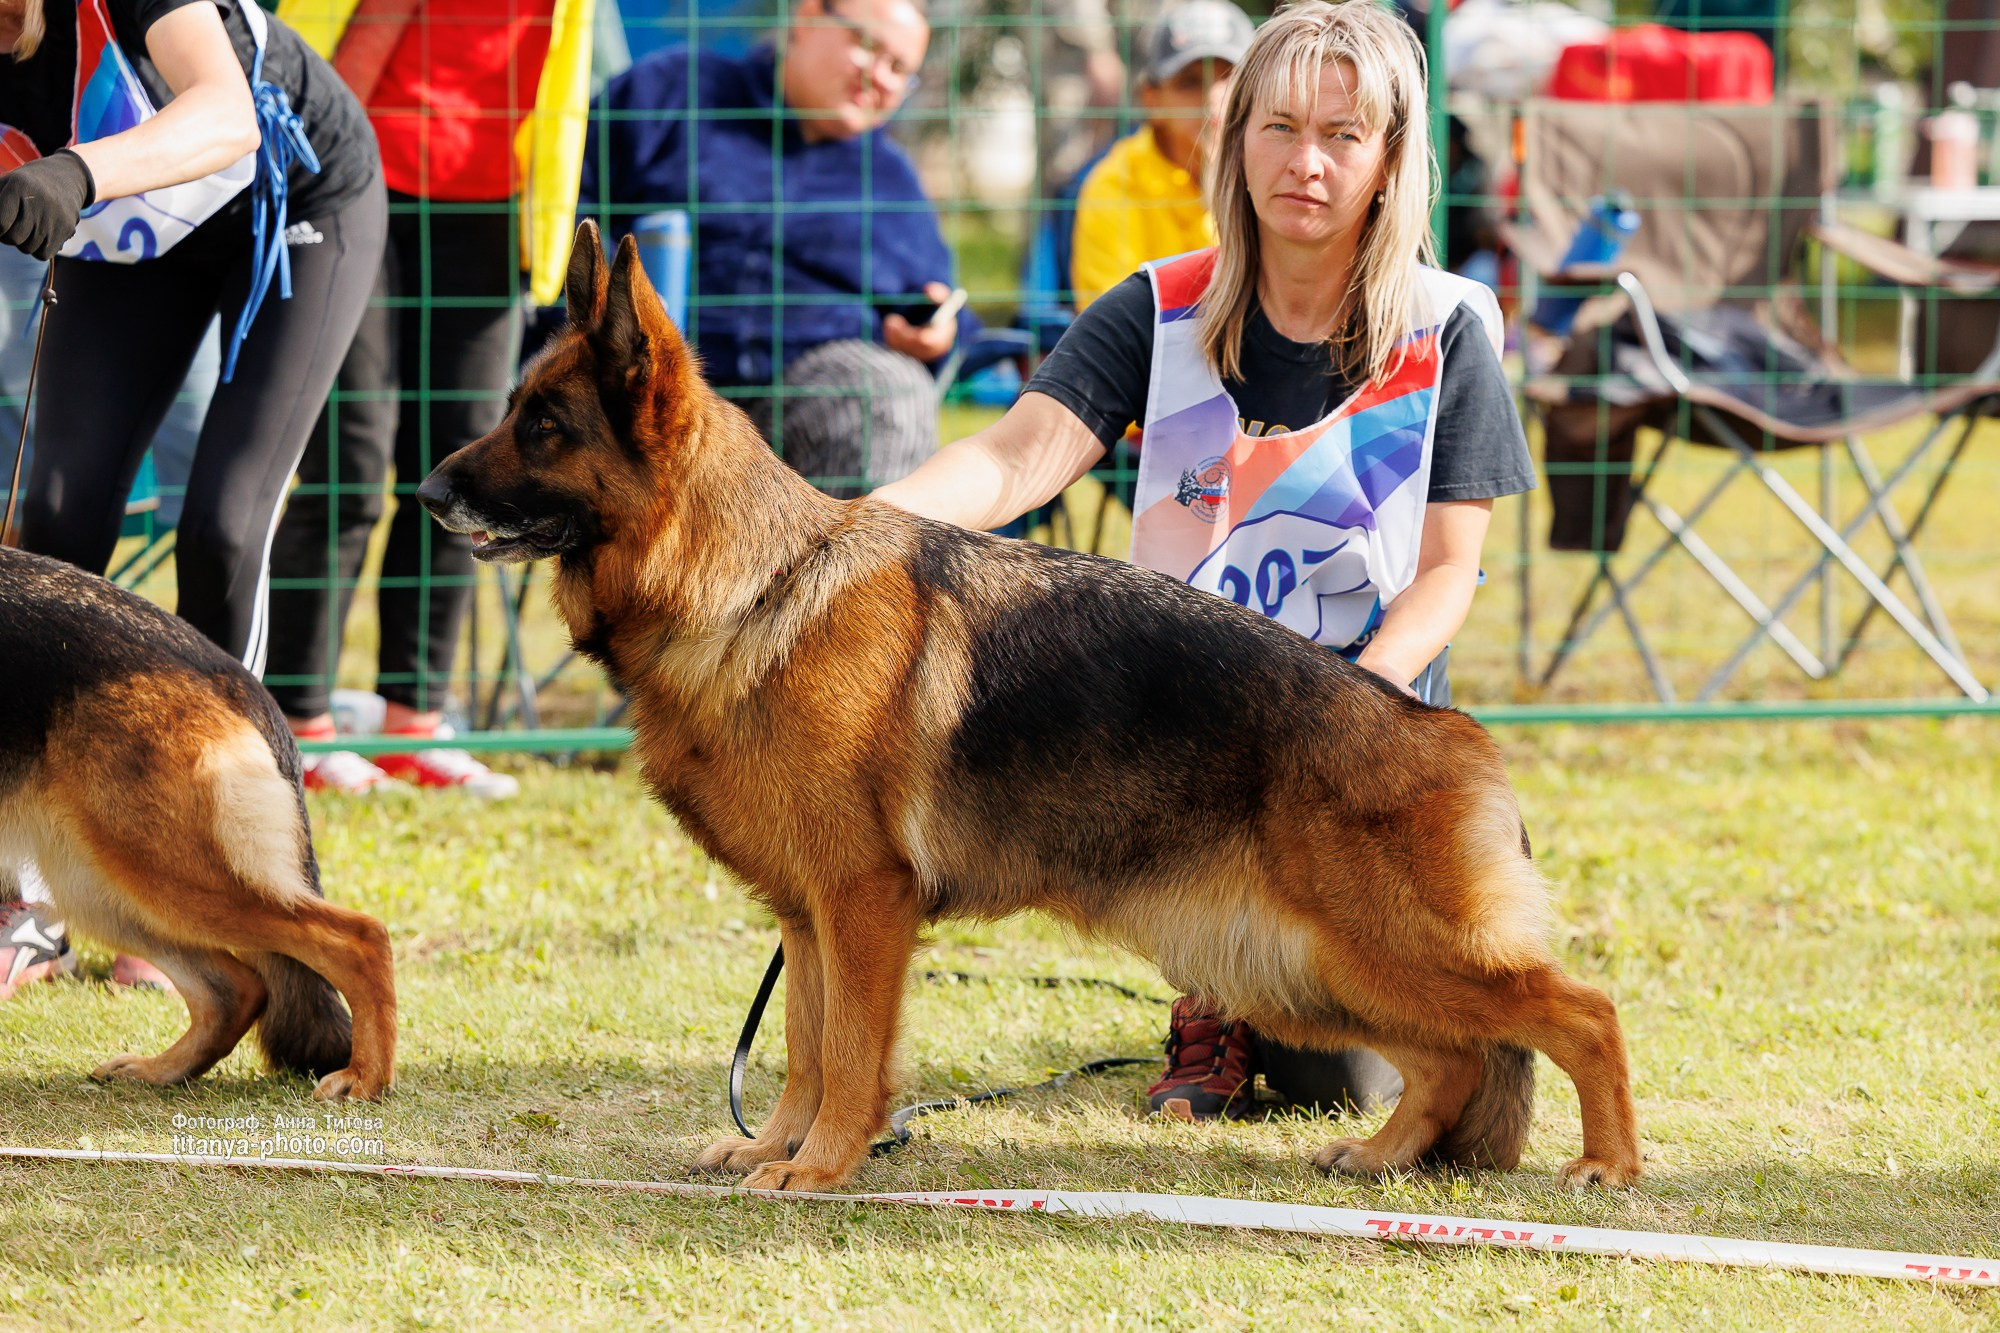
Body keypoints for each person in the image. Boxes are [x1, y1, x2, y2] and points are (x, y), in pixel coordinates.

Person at [874, 0, 1536, 1120]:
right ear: (1231, 146)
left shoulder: (1449, 326)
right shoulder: (1157, 305)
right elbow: (1015, 458)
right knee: (1284, 1014)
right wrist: (855, 525)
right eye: (1276, 128)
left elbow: (1444, 572)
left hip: (1360, 735)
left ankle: (1279, 982)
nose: (1305, 162)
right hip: (1179, 752)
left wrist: (1354, 708)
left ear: (1388, 161)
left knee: (1346, 1070)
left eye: (1341, 135)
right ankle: (1206, 991)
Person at [0, 0, 383, 993]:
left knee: (220, 526)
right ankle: (29, 901)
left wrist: (75, 170)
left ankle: (229, 866)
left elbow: (223, 115)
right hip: (132, 238)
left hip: (292, 201)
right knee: (53, 522)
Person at [260, 0, 590, 796]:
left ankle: (414, 721)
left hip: (491, 200)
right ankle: (297, 722)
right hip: (350, 172)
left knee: (471, 467)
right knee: (350, 454)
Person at [578, 0, 974, 498]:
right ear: (807, 19)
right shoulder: (672, 92)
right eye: (868, 45)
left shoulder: (892, 181)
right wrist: (618, 313)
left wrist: (938, 335)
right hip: (632, 380)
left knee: (887, 390)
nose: (880, 76)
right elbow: (571, 208)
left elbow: (946, 309)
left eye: (900, 69)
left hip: (805, 403)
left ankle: (849, 575)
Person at [1068, 0, 1251, 312]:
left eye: (1229, 77)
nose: (1212, 99)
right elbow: (1111, 324)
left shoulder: (1274, 172)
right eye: (1190, 82)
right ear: (1152, 99)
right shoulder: (1113, 186)